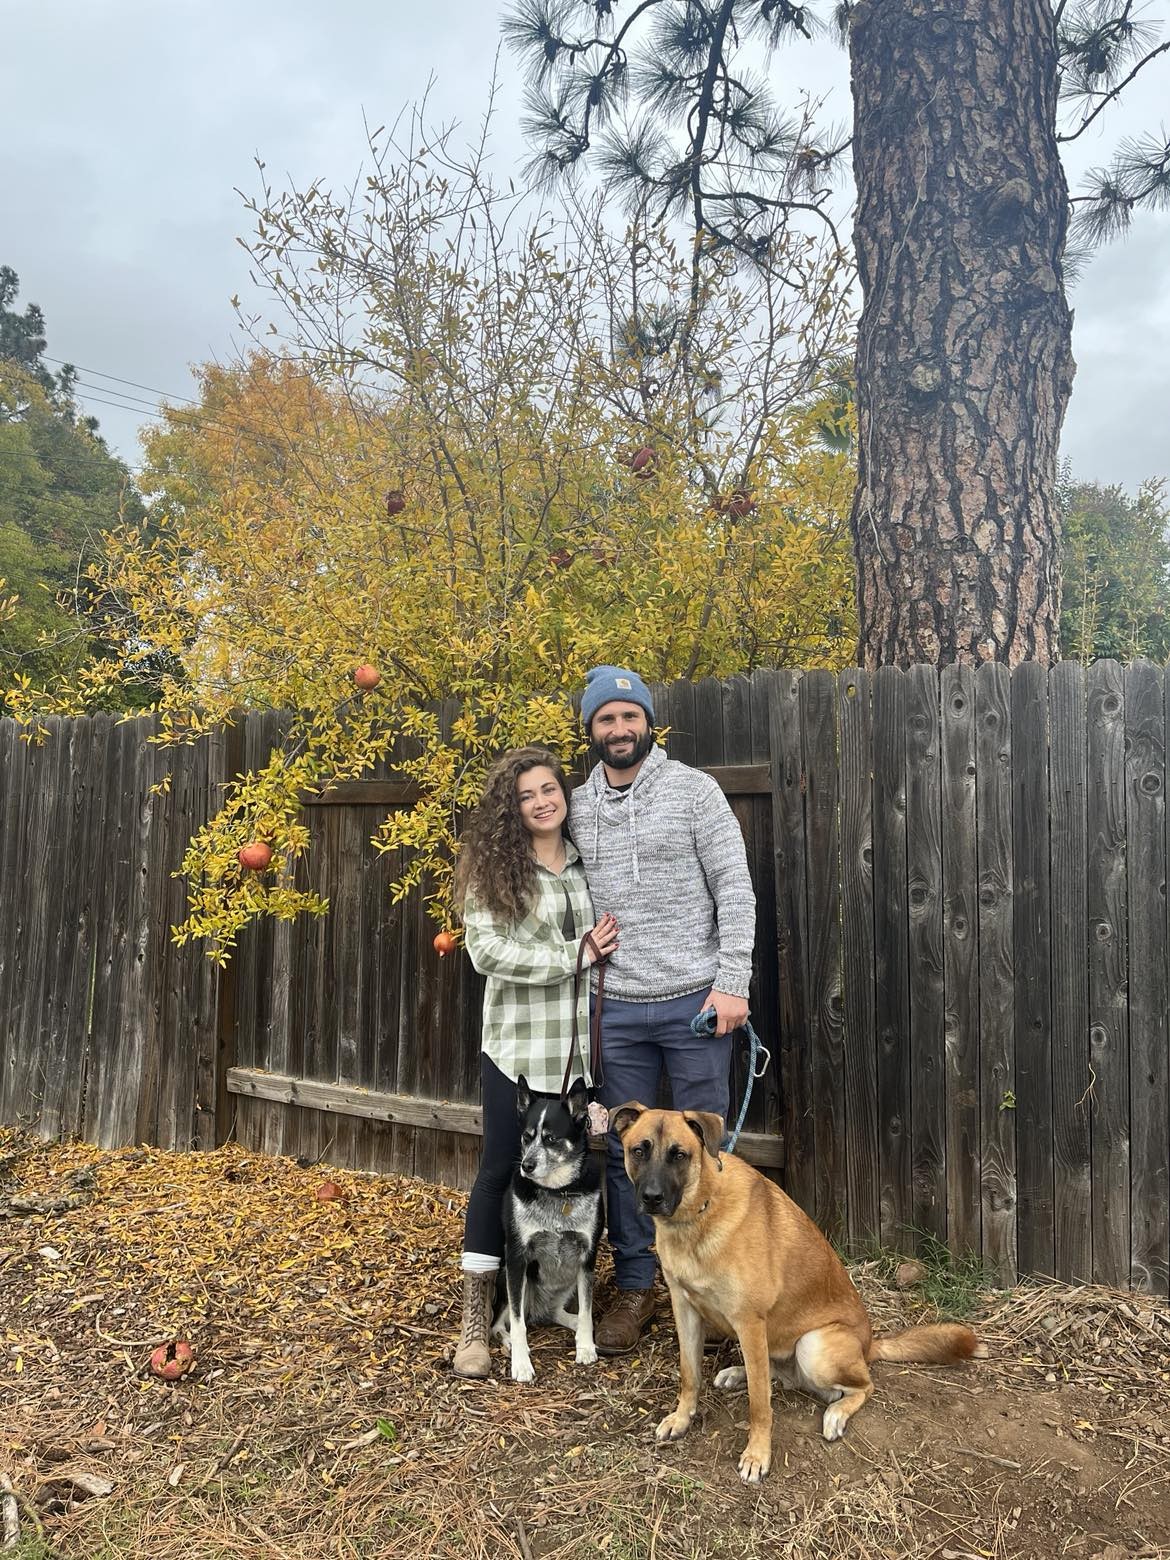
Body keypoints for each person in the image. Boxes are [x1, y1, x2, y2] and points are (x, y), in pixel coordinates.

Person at [569, 665, 756, 1354]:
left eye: (630, 716)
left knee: (704, 1152)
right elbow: (551, 893)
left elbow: (735, 888)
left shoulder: (694, 792)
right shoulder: (574, 807)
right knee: (632, 1155)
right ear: (591, 730)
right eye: (606, 718)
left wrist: (732, 981)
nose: (619, 728)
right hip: (614, 1009)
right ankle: (637, 1286)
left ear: (648, 723)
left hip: (696, 1005)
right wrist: (574, 951)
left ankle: (720, 1288)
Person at [451, 745, 620, 1379]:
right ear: (511, 809)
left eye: (549, 789)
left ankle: (557, 1292)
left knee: (578, 1173)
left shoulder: (583, 861)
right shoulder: (497, 871)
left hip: (578, 1056)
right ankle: (475, 1318)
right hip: (518, 1050)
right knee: (499, 1170)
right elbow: (487, 953)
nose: (542, 802)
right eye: (526, 795)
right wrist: (573, 956)